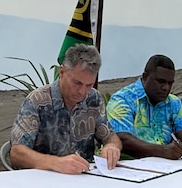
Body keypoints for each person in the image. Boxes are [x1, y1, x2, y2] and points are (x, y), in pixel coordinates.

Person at [10, 44, 122, 173]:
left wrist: (112, 146)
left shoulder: (93, 98)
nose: (82, 92)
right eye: (77, 83)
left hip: (85, 178)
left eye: (89, 85)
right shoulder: (37, 101)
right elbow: (17, 153)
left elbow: (110, 136)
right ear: (62, 72)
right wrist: (55, 163)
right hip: (45, 179)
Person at [106, 54, 182, 159]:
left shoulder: (173, 102)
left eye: (170, 83)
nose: (166, 87)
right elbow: (122, 139)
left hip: (164, 166)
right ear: (145, 77)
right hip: (126, 164)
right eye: (160, 81)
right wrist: (162, 151)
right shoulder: (123, 99)